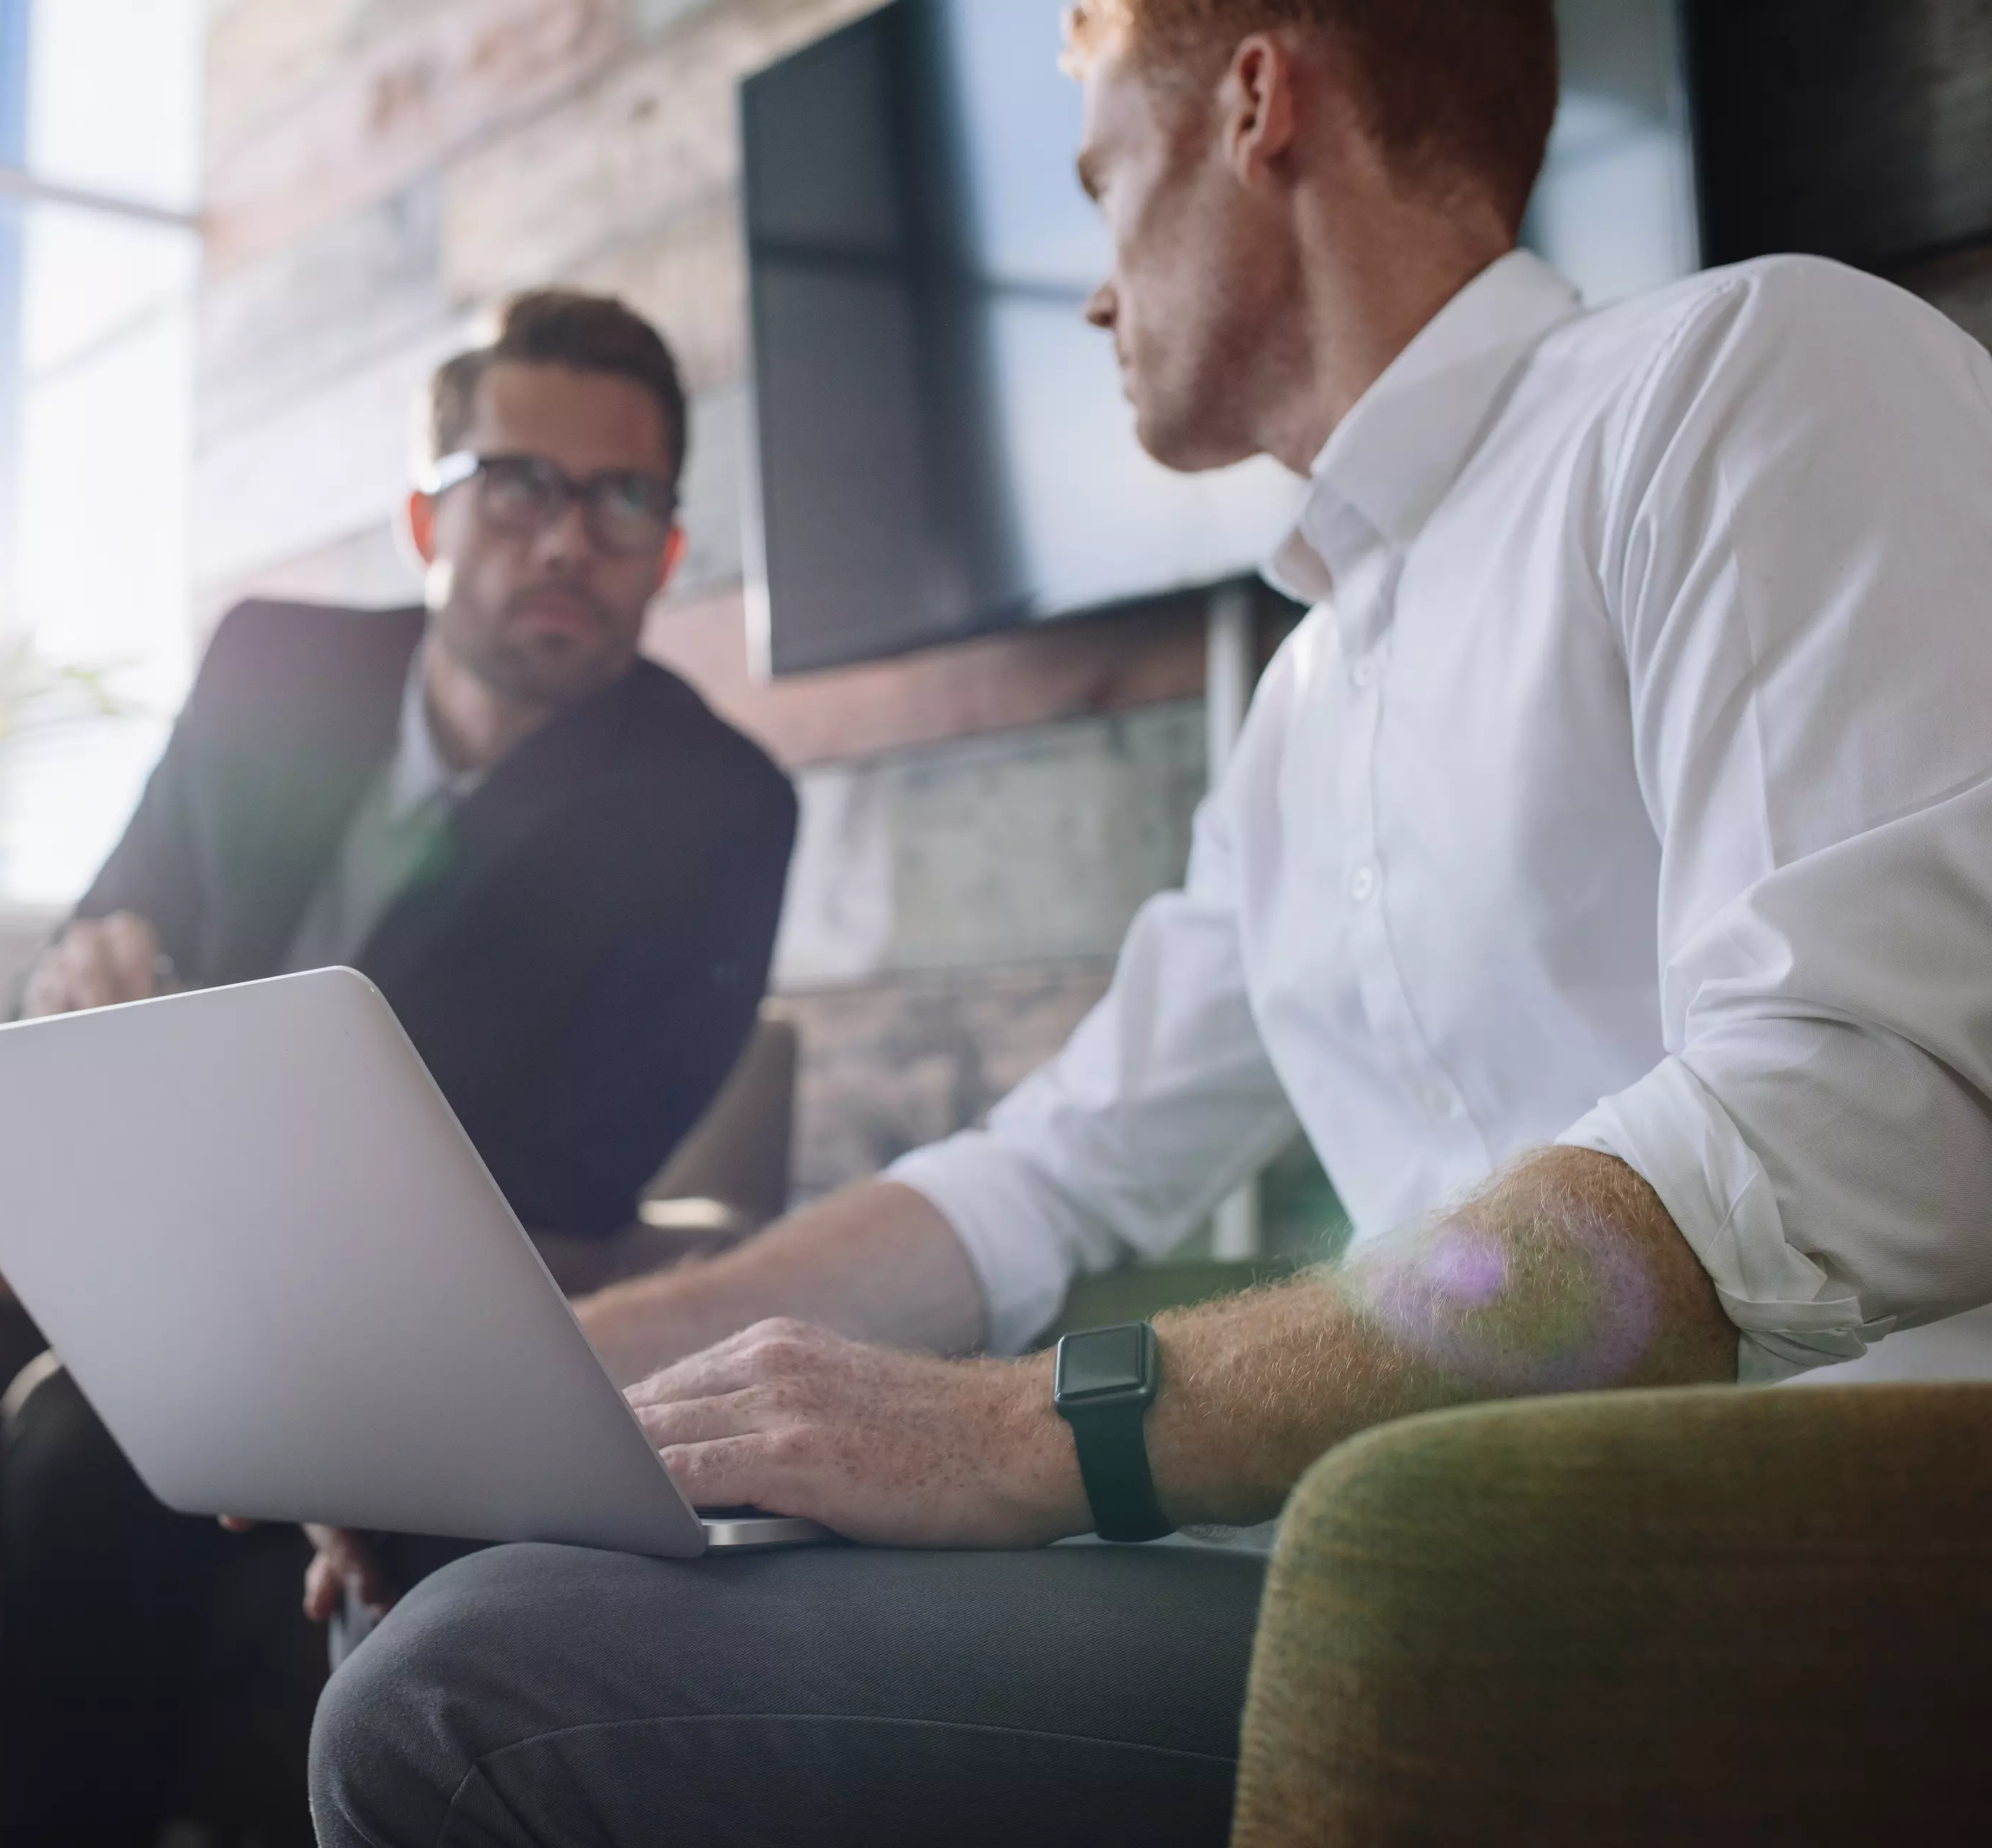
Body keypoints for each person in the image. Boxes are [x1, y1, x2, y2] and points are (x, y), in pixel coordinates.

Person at [305, 2, 1992, 1842]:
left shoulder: (1742, 373)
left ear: (1258, 104)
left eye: (1104, 180)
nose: (1094, 298)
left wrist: (1048, 1425)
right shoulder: (1305, 703)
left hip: (1736, 1598)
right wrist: (561, 1382)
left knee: (473, 1685)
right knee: (487, 1590)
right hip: (1378, 1565)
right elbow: (1045, 1171)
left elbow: (1851, 1112)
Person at [0, 291, 799, 1846]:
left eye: (624, 498)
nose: (570, 537)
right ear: (429, 512)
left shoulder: (718, 806)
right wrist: (73, 981)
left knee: (88, 1445)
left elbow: (575, 1176)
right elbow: (96, 929)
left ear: (668, 548)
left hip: (390, 1335)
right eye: (522, 484)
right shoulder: (275, 663)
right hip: (116, 1278)